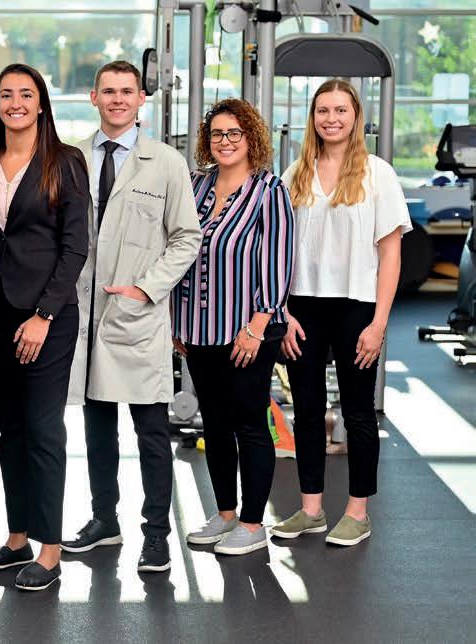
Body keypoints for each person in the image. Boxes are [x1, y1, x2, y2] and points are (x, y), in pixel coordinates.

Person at [61, 60, 202, 573]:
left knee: (151, 432)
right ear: (93, 97)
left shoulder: (165, 162)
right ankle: (104, 520)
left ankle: (157, 534)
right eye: (108, 91)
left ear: (142, 98)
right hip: (85, 314)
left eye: (127, 91)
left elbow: (187, 236)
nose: (118, 99)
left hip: (137, 314)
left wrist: (146, 288)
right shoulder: (72, 158)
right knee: (97, 428)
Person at [0, 64, 89, 591]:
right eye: (6, 94)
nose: (15, 103)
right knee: (10, 431)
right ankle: (18, 540)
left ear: (41, 104)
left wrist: (44, 315)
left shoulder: (65, 162)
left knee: (43, 429)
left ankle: (51, 549)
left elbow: (74, 248)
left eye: (25, 94)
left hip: (47, 319)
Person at [272, 79, 410, 547]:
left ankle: (357, 512)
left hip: (357, 306)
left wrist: (379, 323)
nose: (331, 119)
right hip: (302, 307)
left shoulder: (378, 174)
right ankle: (311, 509)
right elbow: (277, 251)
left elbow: (391, 255)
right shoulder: (295, 173)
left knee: (358, 413)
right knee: (307, 411)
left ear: (356, 118)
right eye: (323, 110)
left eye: (340, 110)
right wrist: (283, 311)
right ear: (313, 118)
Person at [174, 98, 294, 556]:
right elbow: (179, 251)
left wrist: (258, 325)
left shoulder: (269, 190)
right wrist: (177, 319)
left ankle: (252, 523)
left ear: (251, 138)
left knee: (249, 423)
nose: (225, 142)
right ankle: (225, 515)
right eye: (217, 134)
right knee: (216, 424)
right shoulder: (196, 185)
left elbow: (280, 261)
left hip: (248, 330)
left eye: (234, 134)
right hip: (198, 327)